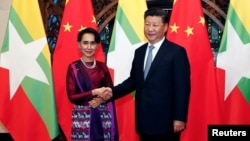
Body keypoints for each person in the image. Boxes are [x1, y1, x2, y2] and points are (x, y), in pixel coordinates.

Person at [99, 7, 191, 141]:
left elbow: (182, 88)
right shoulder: (140, 52)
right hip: (143, 120)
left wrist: (179, 118)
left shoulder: (176, 52)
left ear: (165, 27)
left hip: (166, 122)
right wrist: (112, 92)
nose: (150, 28)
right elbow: (134, 81)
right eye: (147, 24)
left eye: (155, 25)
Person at [66, 27, 118, 141]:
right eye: (85, 43)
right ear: (79, 45)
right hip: (82, 118)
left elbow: (111, 91)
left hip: (103, 115)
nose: (89, 47)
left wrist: (100, 100)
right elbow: (72, 96)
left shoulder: (102, 66)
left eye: (92, 43)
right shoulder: (73, 67)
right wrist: (94, 92)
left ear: (98, 45)